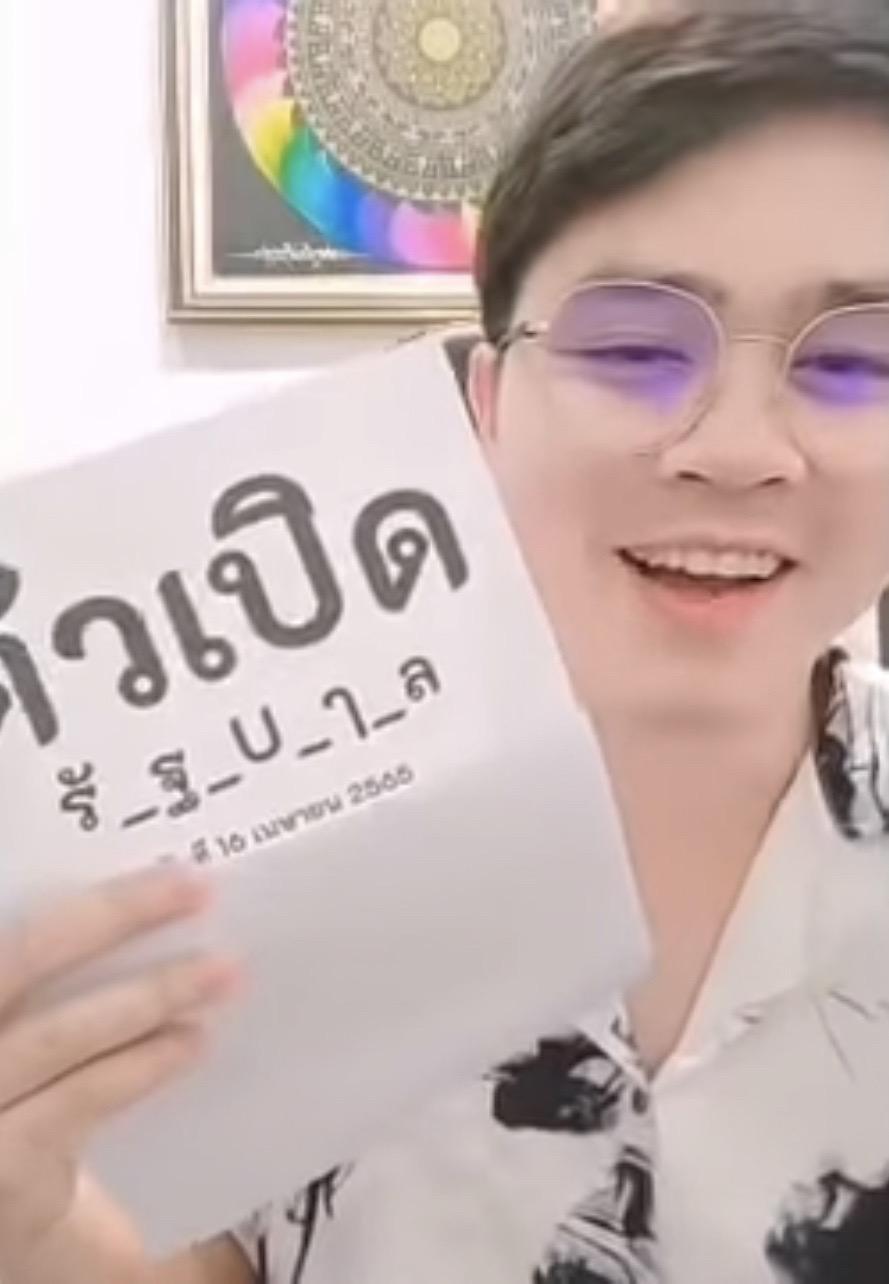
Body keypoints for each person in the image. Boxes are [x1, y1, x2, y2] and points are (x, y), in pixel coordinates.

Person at [2, 4, 889, 1282]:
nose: (738, 449)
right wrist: (31, 1223)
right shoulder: (239, 836)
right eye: (635, 349)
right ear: (487, 403)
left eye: (856, 364)